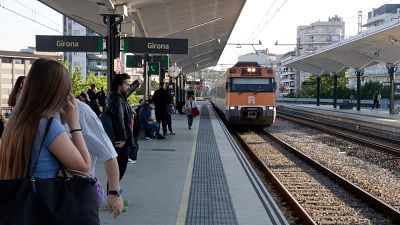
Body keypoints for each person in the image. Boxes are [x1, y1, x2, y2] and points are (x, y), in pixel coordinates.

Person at [65, 100, 124, 218]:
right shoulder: (29, 109)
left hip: (77, 193)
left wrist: (114, 192)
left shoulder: (81, 110)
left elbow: (108, 153)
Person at [105, 73, 136, 184]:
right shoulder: (117, 100)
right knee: (118, 170)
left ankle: (114, 194)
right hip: (120, 141)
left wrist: (137, 83)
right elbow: (119, 119)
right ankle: (113, 195)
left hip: (120, 139)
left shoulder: (117, 97)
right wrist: (123, 138)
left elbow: (129, 90)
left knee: (118, 170)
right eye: (127, 84)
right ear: (119, 85)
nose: (128, 87)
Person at [129, 99, 144, 164]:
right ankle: (132, 157)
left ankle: (133, 157)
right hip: (134, 129)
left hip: (133, 129)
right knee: (134, 143)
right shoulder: (133, 110)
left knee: (133, 143)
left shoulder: (131, 111)